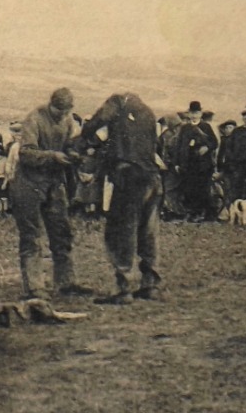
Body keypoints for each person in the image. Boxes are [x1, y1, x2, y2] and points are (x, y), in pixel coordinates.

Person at [80, 91, 163, 304]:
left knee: (121, 231)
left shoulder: (117, 105)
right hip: (152, 177)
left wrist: (85, 136)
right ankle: (150, 285)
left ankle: (124, 287)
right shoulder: (148, 114)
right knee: (148, 231)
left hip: (129, 177)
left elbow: (96, 123)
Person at [11, 88, 94, 300]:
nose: (62, 115)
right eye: (59, 111)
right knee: (32, 236)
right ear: (51, 104)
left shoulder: (67, 121)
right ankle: (34, 286)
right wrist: (53, 157)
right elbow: (26, 153)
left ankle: (66, 282)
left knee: (62, 233)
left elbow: (69, 145)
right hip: (29, 184)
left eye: (66, 111)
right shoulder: (34, 119)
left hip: (54, 183)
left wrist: (73, 154)